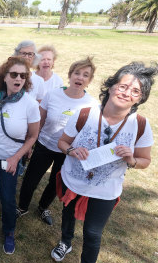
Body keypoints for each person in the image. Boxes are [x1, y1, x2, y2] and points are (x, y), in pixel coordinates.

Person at [52, 62, 157, 263]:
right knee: (67, 215)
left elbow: (145, 160)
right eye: (123, 86)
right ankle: (65, 241)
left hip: (105, 190)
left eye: (135, 91)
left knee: (92, 233)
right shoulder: (85, 114)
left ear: (139, 99)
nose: (126, 93)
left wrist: (131, 159)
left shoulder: (140, 125)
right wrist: (71, 151)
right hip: (74, 180)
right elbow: (62, 142)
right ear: (110, 87)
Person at [17, 57, 98, 225]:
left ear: (89, 81)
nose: (80, 78)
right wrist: (31, 144)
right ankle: (22, 207)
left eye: (85, 75)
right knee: (31, 179)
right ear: (69, 75)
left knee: (56, 182)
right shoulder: (53, 95)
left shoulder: (91, 104)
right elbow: (39, 121)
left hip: (68, 151)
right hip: (44, 145)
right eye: (76, 73)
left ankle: (43, 207)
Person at [0, 57, 40, 255]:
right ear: (4, 77)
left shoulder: (30, 105)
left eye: (23, 76)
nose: (18, 79)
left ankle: (9, 232)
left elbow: (32, 137)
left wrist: (16, 158)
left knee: (6, 197)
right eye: (14, 74)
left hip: (9, 159)